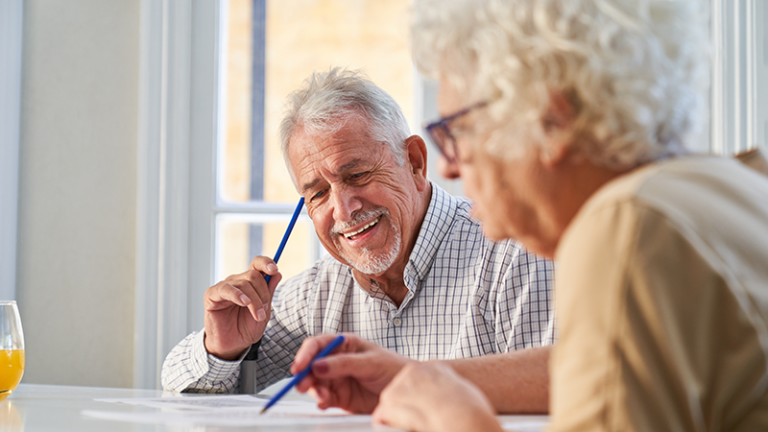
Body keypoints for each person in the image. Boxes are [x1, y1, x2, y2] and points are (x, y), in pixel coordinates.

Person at [293, 1, 768, 431]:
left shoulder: (625, 226)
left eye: (456, 131)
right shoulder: (730, 185)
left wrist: (460, 423)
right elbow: (604, 369)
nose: (448, 166)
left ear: (550, 120)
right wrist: (416, 376)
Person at [161, 68, 555, 404]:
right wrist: (222, 350)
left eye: (357, 175)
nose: (344, 209)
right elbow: (176, 388)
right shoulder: (320, 292)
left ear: (415, 163)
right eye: (317, 193)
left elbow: (566, 394)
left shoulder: (513, 257)